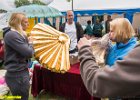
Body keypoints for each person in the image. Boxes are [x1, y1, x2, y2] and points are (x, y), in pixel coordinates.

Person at [77, 18, 140, 98]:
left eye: (111, 31)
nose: (108, 33)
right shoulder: (116, 46)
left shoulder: (131, 53)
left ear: (121, 31)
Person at [4, 13, 34, 100]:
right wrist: (31, 42)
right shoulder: (12, 35)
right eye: (25, 22)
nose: (28, 24)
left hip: (19, 73)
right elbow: (29, 53)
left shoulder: (17, 34)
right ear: (18, 23)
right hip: (17, 76)